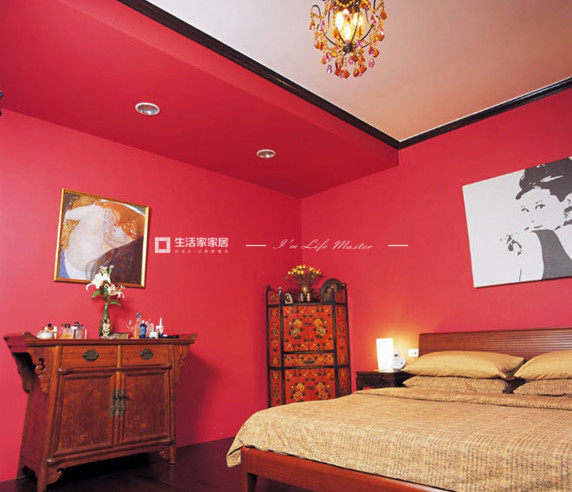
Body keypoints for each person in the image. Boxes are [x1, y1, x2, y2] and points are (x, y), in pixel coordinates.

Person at [506, 158, 572, 281]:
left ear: (568, 202)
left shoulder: (533, 241)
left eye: (540, 206)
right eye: (525, 210)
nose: (531, 219)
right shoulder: (530, 242)